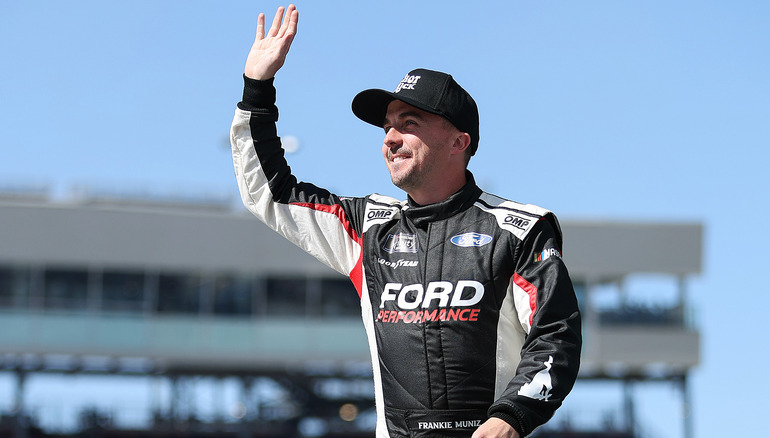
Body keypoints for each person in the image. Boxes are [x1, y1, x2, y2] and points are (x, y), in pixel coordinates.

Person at [230, 5, 581, 438]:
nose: (390, 139)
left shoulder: (520, 230)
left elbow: (554, 336)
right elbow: (271, 192)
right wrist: (257, 89)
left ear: (459, 141)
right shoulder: (368, 228)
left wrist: (511, 416)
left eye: (408, 124)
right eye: (386, 128)